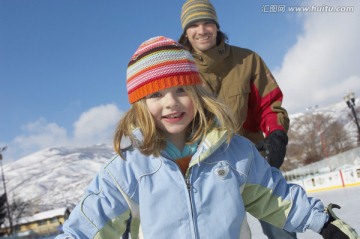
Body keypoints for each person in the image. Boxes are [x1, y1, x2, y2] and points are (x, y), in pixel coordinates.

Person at [54, 36, 359, 239]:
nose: (171, 103)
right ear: (140, 104)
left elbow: (274, 196)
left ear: (198, 94)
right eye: (156, 95)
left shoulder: (234, 151)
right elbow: (89, 224)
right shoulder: (126, 171)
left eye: (181, 89)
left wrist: (324, 222)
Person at [178, 0, 293, 238]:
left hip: (254, 160)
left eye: (207, 22)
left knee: (281, 227)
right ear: (186, 32)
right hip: (207, 173)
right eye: (194, 25)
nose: (202, 30)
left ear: (217, 26)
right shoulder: (179, 70)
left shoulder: (248, 60)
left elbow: (269, 105)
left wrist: (276, 134)